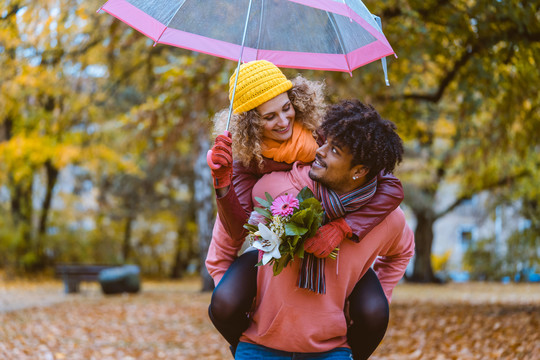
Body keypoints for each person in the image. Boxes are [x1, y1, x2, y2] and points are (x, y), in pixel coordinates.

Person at [206, 61, 404, 358]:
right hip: (272, 246)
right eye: (269, 117)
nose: (283, 121)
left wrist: (341, 228)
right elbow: (237, 229)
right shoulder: (247, 163)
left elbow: (391, 186)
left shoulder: (321, 137)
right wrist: (223, 182)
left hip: (339, 250)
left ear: (296, 100)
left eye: (286, 108)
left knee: (373, 311)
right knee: (225, 302)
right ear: (250, 123)